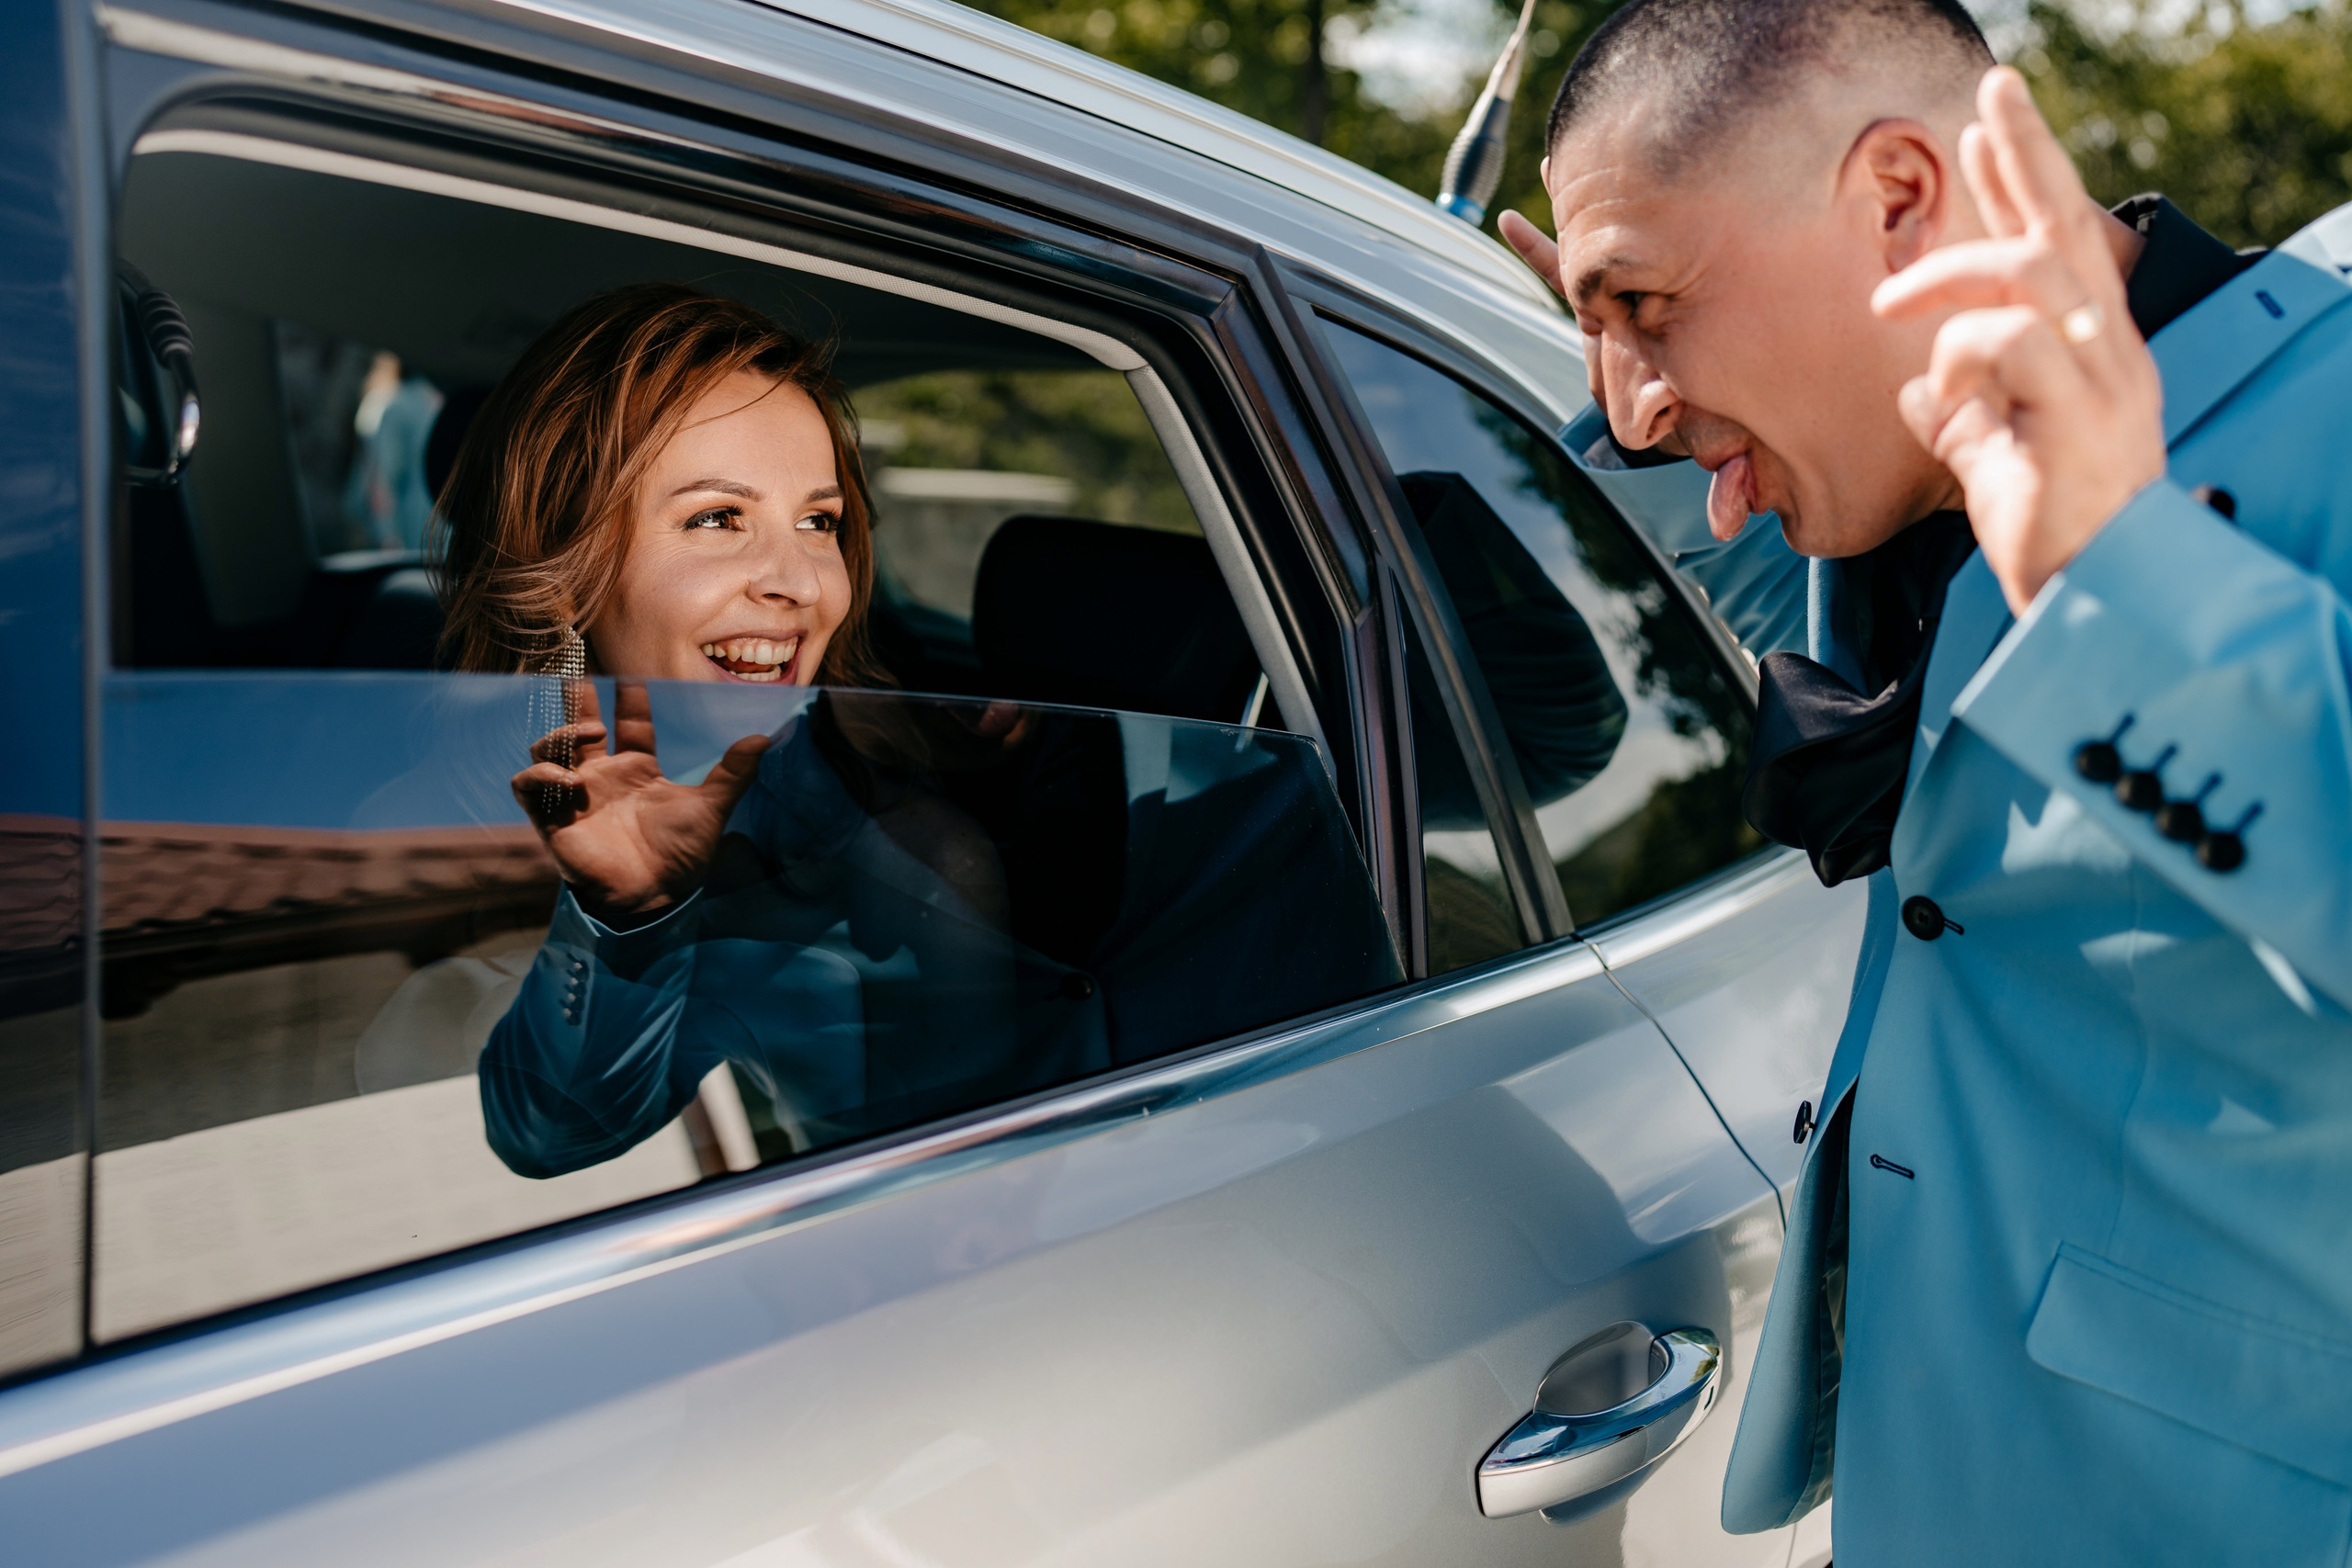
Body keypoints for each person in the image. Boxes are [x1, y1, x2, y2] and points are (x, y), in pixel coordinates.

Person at [1496, 3, 2352, 1562]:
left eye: (1649, 302)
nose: (1631, 401)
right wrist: (1635, 358)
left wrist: (2124, 578)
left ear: (1899, 197)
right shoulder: (1885, 465)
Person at [434, 284, 1398, 1178]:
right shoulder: (556, 844)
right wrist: (628, 915)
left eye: (819, 522)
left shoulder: (897, 723)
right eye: (719, 518)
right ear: (565, 570)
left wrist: (1019, 766)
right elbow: (545, 1132)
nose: (799, 580)